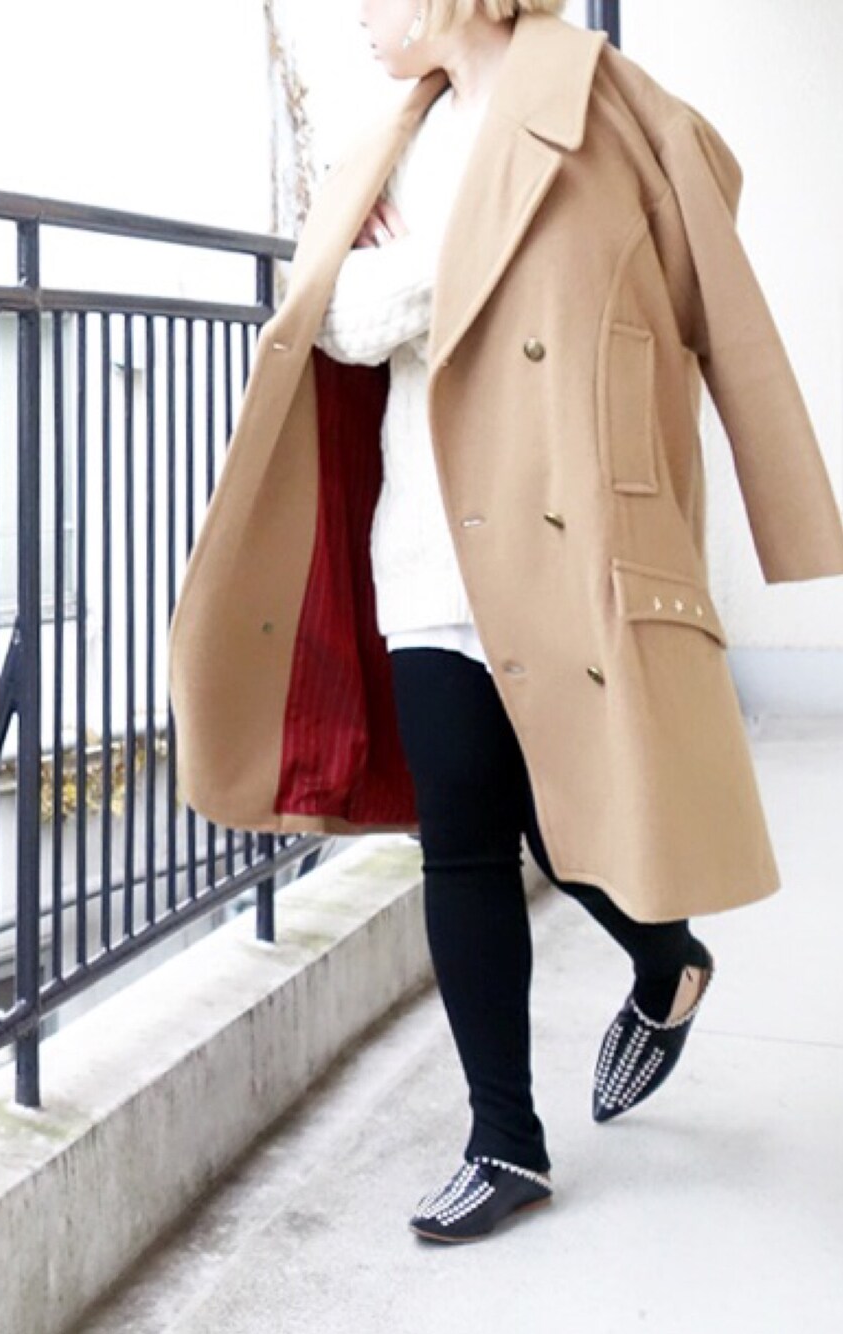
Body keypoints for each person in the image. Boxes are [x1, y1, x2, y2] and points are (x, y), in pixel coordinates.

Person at [167, 0, 843, 1245]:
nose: (357, 16)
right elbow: (335, 319)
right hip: (425, 548)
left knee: (563, 816)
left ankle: (666, 962)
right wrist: (445, 266)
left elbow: (675, 278)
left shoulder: (603, 110)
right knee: (463, 840)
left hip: (562, 539)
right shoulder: (392, 142)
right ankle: (503, 1141)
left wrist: (419, 266)